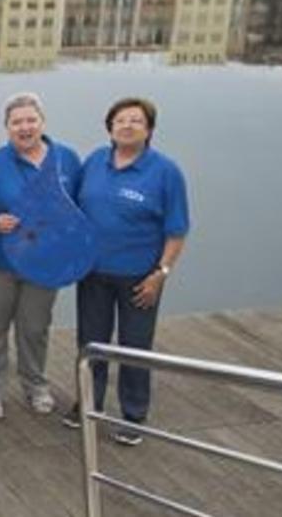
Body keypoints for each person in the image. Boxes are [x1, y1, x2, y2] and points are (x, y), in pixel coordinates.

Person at [62, 97, 189, 446]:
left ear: (149, 130)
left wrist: (160, 273)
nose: (127, 125)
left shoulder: (165, 172)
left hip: (140, 279)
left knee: (134, 346)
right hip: (93, 273)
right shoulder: (93, 163)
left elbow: (177, 231)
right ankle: (89, 404)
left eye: (136, 120)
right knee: (92, 343)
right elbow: (70, 210)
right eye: (120, 120)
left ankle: (134, 415)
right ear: (110, 128)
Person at [0, 92, 82, 419]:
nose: (25, 127)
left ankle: (35, 385)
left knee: (35, 327)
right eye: (17, 122)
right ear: (7, 127)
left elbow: (80, 207)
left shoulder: (67, 160)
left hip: (45, 263)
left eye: (31, 120)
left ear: (43, 122)